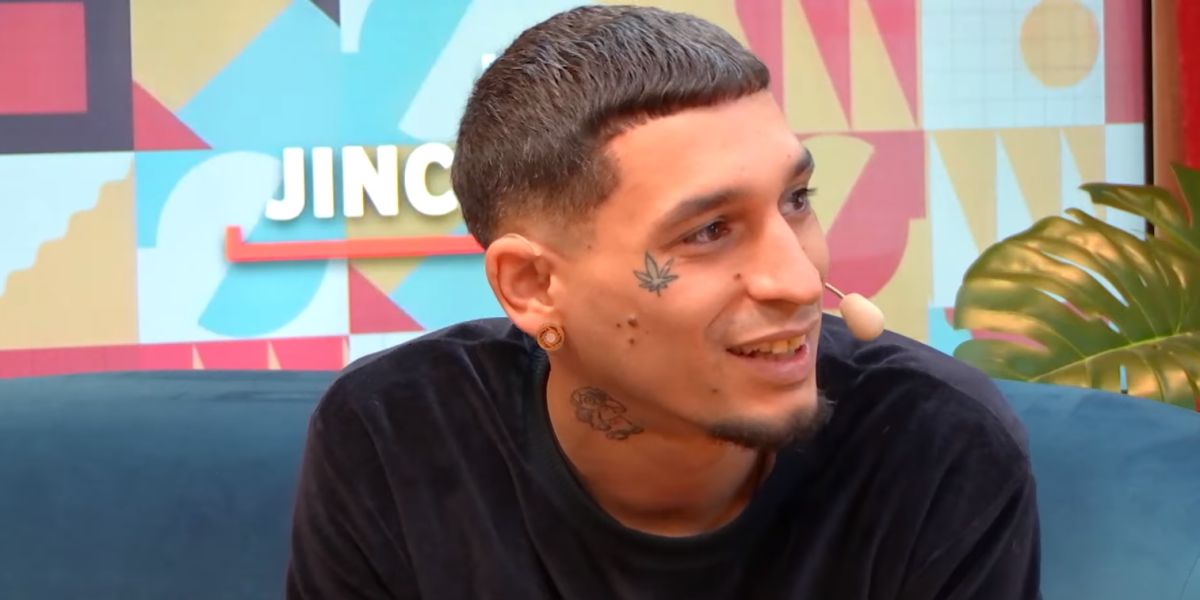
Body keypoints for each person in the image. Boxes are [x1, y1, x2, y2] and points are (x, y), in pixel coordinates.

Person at [284, 5, 1041, 599]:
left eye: (797, 200)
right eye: (709, 231)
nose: (799, 281)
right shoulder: (396, 435)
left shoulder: (935, 446)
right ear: (533, 287)